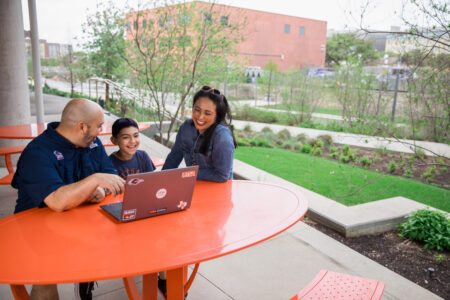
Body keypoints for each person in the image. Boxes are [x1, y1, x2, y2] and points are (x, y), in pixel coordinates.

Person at [12, 98, 125, 300]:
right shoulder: (37, 153)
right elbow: (57, 201)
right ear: (82, 127)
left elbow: (110, 175)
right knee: (46, 274)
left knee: (121, 240)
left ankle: (86, 280)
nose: (101, 131)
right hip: (36, 229)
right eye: (99, 126)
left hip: (77, 220)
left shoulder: (91, 142)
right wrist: (94, 180)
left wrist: (101, 190)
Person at [162, 85, 237, 182]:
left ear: (217, 115)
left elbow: (221, 175)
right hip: (194, 188)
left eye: (207, 113)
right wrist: (161, 182)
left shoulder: (222, 136)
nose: (200, 117)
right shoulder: (186, 128)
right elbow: (173, 159)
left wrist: (186, 174)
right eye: (197, 110)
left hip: (218, 192)